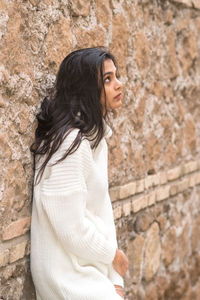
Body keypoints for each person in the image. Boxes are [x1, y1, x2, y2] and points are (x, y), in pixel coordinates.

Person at [30, 47, 129, 300]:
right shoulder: (70, 142)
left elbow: (102, 211)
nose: (119, 84)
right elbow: (70, 226)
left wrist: (115, 278)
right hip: (66, 274)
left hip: (91, 265)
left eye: (116, 76)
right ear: (86, 88)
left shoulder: (96, 139)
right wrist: (113, 256)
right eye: (107, 79)